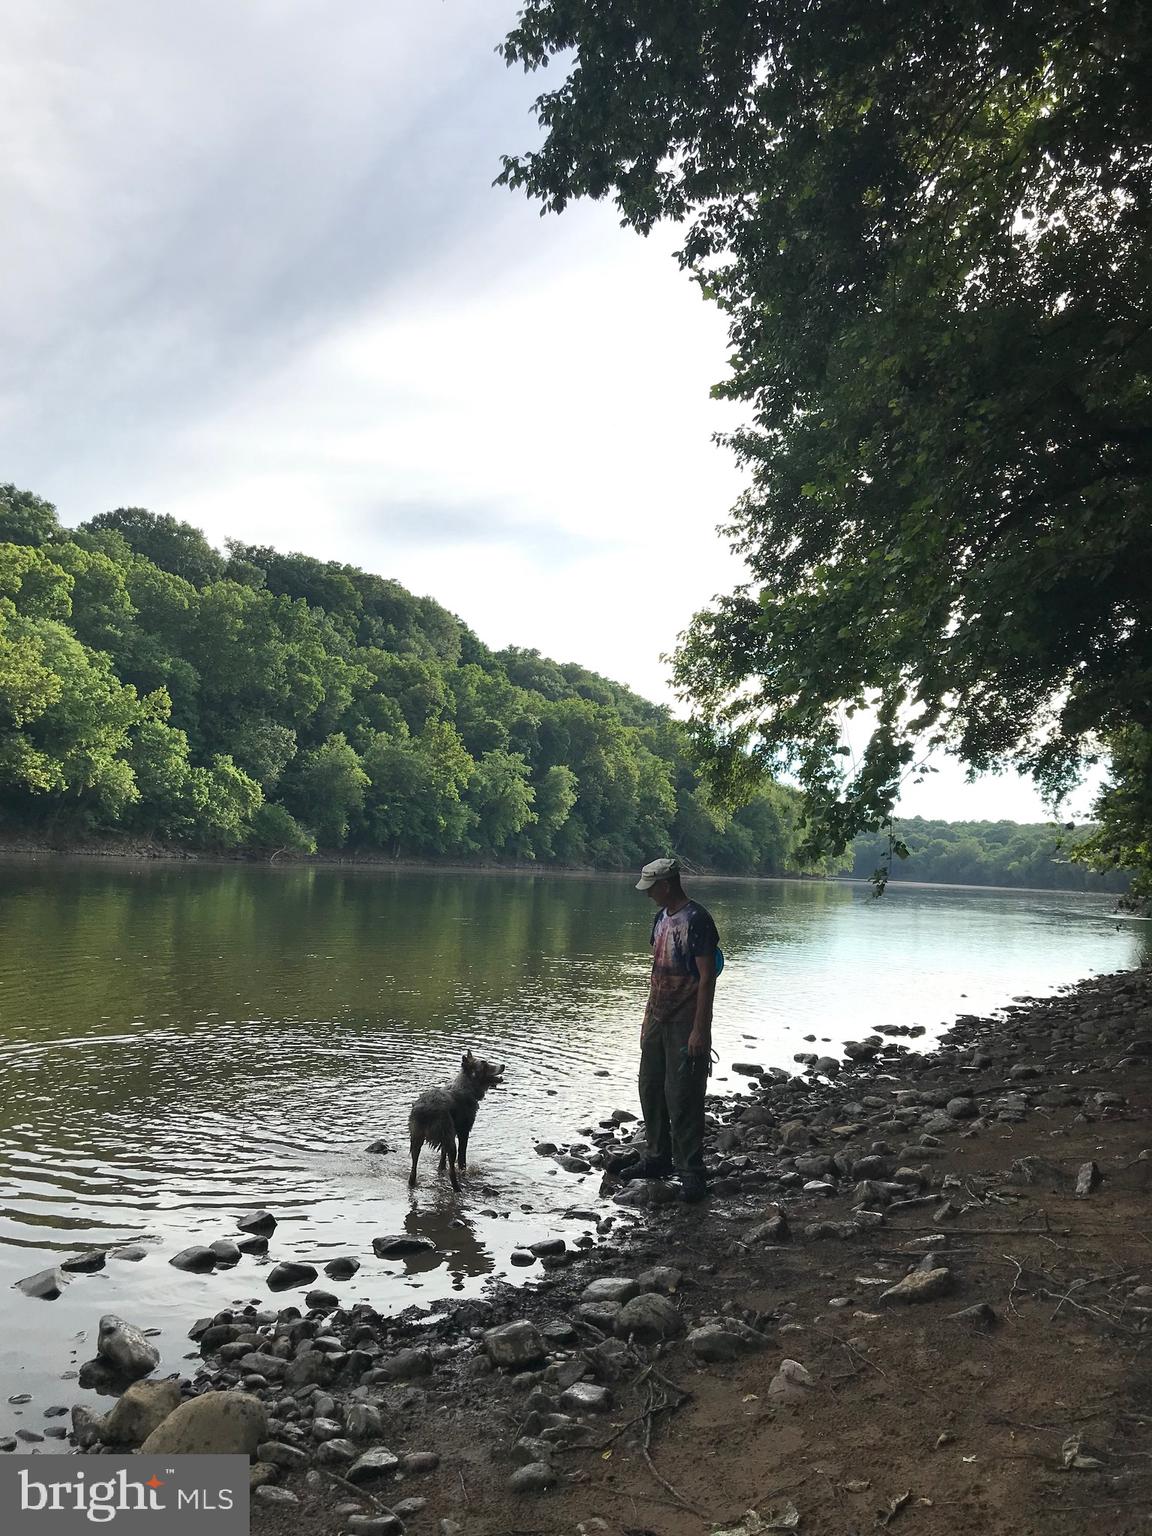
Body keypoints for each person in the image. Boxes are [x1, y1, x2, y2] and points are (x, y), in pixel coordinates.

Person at [633, 857, 719, 1203]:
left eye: (651, 888)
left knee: (683, 1095)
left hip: (686, 1018)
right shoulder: (661, 918)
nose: (648, 894)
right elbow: (657, 970)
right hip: (657, 1014)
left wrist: (701, 1030)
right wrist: (646, 1019)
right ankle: (657, 1157)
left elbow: (707, 978)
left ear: (666, 885)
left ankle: (691, 1172)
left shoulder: (698, 920)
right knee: (650, 1086)